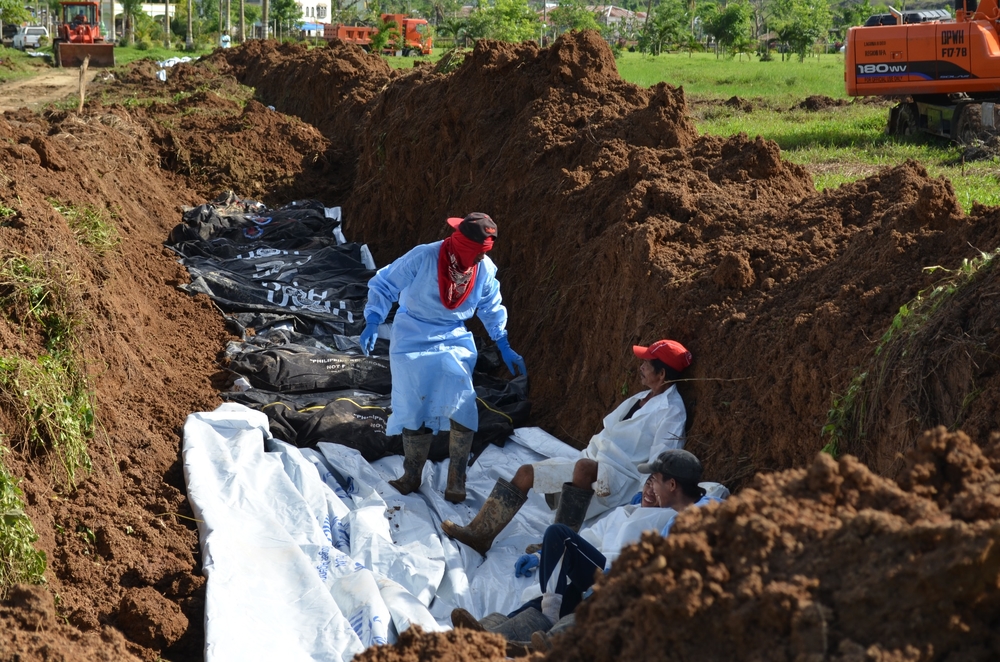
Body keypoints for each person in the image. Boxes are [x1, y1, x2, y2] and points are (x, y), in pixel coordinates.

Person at [442, 339, 691, 555]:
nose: (641, 366)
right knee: (526, 472)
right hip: (592, 463)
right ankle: (480, 534)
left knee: (582, 468)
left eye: (647, 363)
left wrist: (645, 493)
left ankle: (557, 544)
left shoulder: (671, 412)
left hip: (620, 478)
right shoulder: (640, 398)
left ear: (662, 376)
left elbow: (664, 459)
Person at [452, 450, 725, 642]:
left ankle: (550, 636)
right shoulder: (644, 515)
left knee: (583, 598)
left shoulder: (688, 515)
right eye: (648, 482)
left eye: (655, 481)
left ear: (673, 484)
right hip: (606, 577)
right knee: (563, 591)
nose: (651, 489)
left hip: (631, 589)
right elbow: (592, 539)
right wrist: (540, 556)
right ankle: (491, 633)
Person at [360, 213, 526, 503]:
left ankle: (457, 478)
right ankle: (412, 474)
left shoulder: (483, 269)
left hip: (452, 336)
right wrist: (373, 319)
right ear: (461, 244)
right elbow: (385, 283)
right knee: (413, 402)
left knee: (462, 399)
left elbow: (490, 305)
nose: (478, 260)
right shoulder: (424, 256)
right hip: (412, 333)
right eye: (476, 253)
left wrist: (503, 342)